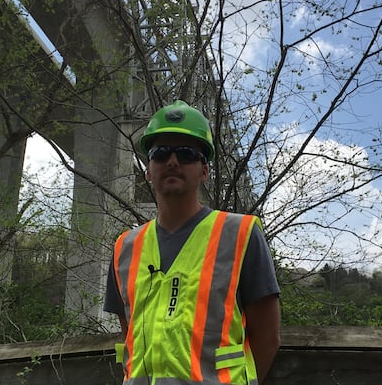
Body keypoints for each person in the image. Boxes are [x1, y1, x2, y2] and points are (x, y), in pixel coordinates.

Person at [104, 100, 281, 385]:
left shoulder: (241, 234)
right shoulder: (125, 248)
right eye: (160, 153)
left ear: (204, 170)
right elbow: (129, 336)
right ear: (148, 169)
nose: (172, 161)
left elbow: (267, 340)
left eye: (186, 154)